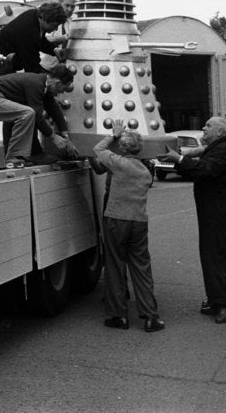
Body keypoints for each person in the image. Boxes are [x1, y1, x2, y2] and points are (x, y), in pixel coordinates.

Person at [157, 117, 226, 324]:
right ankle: (215, 300)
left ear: (220, 132)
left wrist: (179, 158)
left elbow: (203, 169)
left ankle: (223, 305)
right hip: (213, 214)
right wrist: (179, 160)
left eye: (208, 126)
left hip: (221, 215)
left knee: (215, 259)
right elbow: (196, 170)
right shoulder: (216, 149)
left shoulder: (222, 151)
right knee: (210, 258)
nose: (203, 128)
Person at [92, 119, 165, 332]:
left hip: (116, 219)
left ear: (122, 148)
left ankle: (118, 316)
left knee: (115, 266)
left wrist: (113, 135)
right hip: (138, 221)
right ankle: (150, 316)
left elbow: (98, 150)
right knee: (142, 267)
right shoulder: (145, 172)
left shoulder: (117, 163)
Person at [0, 64, 76, 168]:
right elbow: (37, 115)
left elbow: (54, 110)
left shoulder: (44, 86)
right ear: (57, 83)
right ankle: (13, 157)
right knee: (28, 113)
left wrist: (66, 138)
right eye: (63, 88)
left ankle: (19, 156)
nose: (62, 92)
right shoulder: (36, 84)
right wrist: (53, 137)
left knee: (21, 113)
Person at [0, 2, 67, 79]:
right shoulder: (29, 30)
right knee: (10, 88)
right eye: (55, 25)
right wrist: (48, 81)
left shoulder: (35, 16)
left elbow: (41, 41)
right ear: (45, 20)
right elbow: (32, 68)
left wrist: (55, 50)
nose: (56, 29)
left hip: (6, 60)